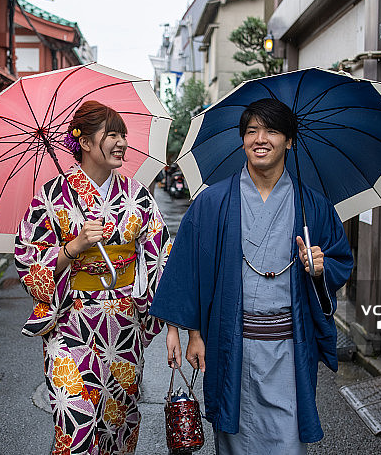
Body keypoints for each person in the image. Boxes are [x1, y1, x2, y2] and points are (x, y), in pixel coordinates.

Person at [149, 98, 353, 454]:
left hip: (289, 346)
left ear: (289, 140)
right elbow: (189, 269)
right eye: (251, 131)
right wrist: (190, 334)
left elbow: (340, 262)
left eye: (271, 130)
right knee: (234, 437)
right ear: (242, 140)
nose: (260, 139)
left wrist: (319, 268)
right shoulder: (213, 201)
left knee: (288, 441)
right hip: (231, 343)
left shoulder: (313, 205)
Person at [14, 100, 172, 455]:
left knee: (119, 424)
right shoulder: (52, 197)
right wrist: (73, 247)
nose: (122, 144)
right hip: (71, 324)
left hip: (123, 325)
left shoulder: (138, 197)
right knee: (76, 423)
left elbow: (161, 256)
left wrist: (170, 321)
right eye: (112, 135)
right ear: (84, 142)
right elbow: (27, 257)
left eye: (124, 136)